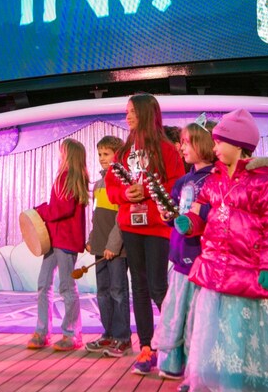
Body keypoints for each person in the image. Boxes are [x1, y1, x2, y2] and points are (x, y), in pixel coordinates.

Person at [174, 108, 268, 392]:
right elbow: (201, 213)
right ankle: (218, 382)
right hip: (214, 268)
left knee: (238, 333)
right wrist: (189, 223)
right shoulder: (214, 182)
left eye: (220, 143)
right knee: (211, 330)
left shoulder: (264, 184)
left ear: (240, 145)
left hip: (245, 272)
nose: (215, 148)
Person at [104, 93, 185, 374]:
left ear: (146, 113)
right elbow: (111, 186)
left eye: (131, 112)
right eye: (126, 112)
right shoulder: (124, 152)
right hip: (130, 225)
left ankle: (175, 344)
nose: (127, 117)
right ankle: (147, 348)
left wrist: (150, 194)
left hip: (157, 228)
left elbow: (176, 187)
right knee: (138, 287)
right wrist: (126, 193)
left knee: (158, 286)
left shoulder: (166, 149)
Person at [156, 116, 216, 380]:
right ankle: (172, 363)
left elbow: (216, 217)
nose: (181, 148)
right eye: (181, 143)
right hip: (181, 258)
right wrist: (166, 214)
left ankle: (196, 367)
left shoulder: (215, 180)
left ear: (202, 144)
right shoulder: (182, 182)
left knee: (196, 316)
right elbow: (173, 213)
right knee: (176, 312)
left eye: (186, 143)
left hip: (203, 260)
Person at [27, 138, 90, 351]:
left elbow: (60, 209)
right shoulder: (67, 177)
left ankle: (72, 334)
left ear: (68, 154)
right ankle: (42, 331)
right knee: (44, 283)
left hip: (65, 241)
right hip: (55, 240)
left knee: (66, 286)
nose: (59, 155)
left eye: (61, 151)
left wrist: (40, 210)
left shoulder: (69, 177)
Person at [83, 135, 132, 358]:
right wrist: (92, 238)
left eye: (107, 154)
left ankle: (122, 337)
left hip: (116, 249)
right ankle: (109, 333)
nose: (102, 158)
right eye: (100, 154)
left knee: (118, 292)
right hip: (99, 246)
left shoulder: (123, 180)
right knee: (102, 292)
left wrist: (113, 244)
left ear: (118, 155)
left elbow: (121, 217)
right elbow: (96, 215)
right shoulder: (98, 183)